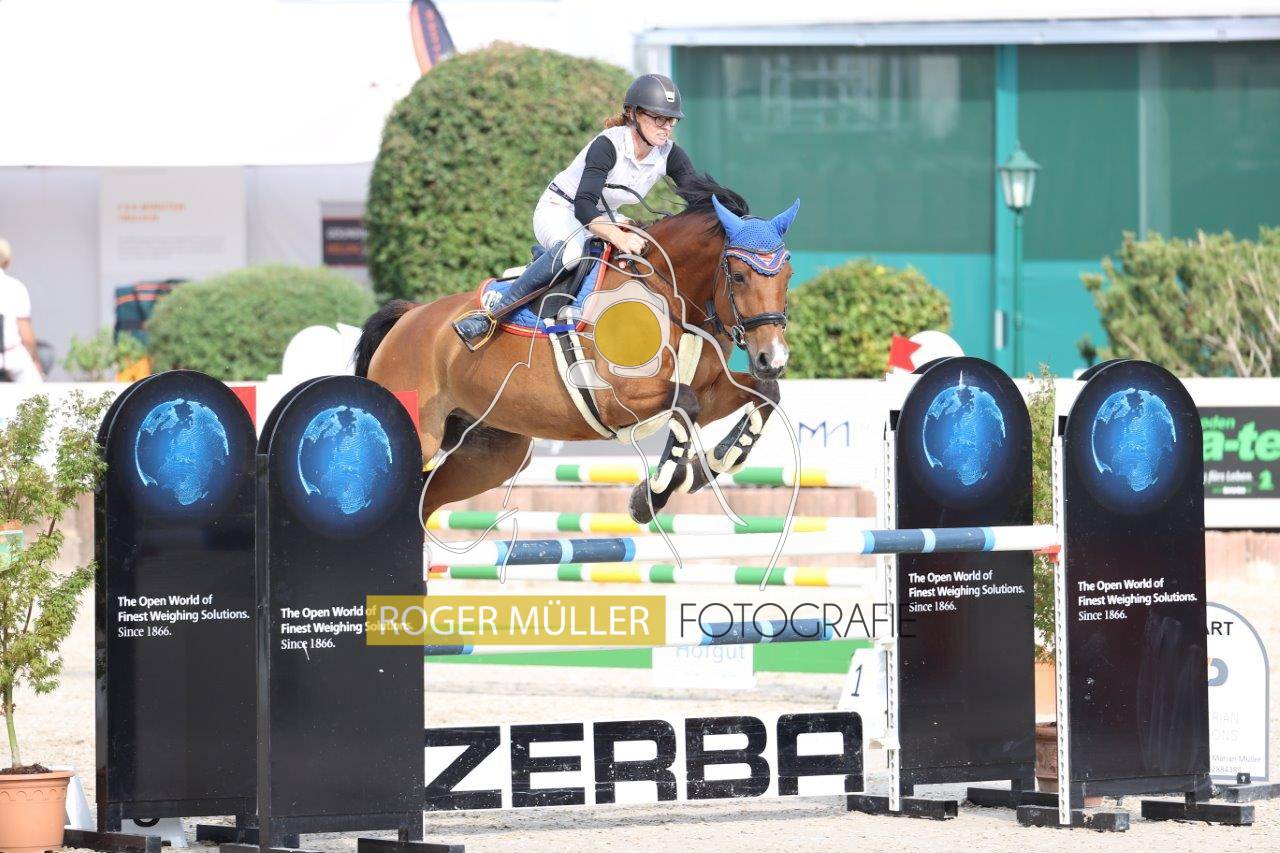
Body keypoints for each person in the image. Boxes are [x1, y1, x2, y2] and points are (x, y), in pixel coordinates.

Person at [453, 73, 703, 350]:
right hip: (561, 209)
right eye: (658, 118)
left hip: (603, 216)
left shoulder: (669, 154)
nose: (666, 127)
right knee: (572, 253)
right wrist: (619, 237)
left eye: (671, 120)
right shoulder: (608, 145)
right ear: (633, 114)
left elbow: (699, 198)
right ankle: (493, 315)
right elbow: (584, 206)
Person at [0, 237, 44, 382]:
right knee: (37, 393)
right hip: (11, 357)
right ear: (7, 261)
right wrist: (35, 360)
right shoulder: (15, 287)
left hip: (9, 359)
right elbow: (26, 336)